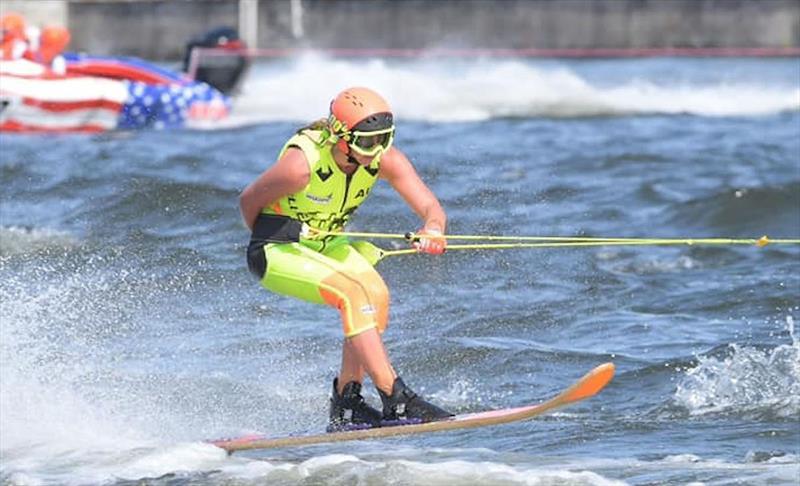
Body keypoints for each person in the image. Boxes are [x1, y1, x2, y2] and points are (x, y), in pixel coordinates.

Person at [239, 87, 454, 431]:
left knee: (376, 295)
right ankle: (396, 398)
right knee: (352, 294)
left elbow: (431, 208)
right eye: (367, 142)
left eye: (385, 139)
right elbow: (248, 201)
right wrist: (282, 233)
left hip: (330, 246)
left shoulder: (385, 159)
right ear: (340, 137)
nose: (377, 151)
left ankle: (347, 403)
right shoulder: (299, 167)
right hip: (275, 249)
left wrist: (433, 228)